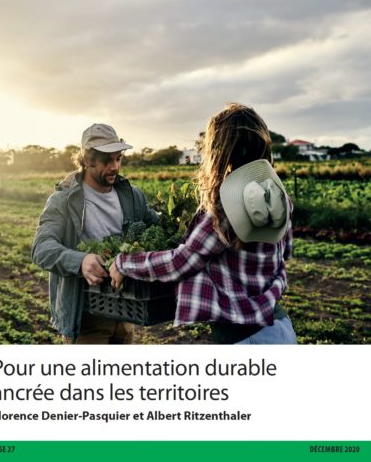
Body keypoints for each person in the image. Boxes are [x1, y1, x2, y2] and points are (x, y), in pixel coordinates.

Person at [110, 103, 297, 345]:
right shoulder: (279, 197)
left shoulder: (226, 207)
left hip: (245, 338)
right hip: (279, 328)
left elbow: (181, 262)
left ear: (218, 151)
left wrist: (123, 263)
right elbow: (286, 253)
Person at [32, 123, 158, 344]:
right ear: (87, 160)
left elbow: (158, 228)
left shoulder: (133, 197)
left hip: (126, 311)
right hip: (85, 316)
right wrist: (80, 261)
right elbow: (41, 248)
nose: (115, 167)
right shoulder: (63, 200)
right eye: (107, 160)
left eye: (118, 158)